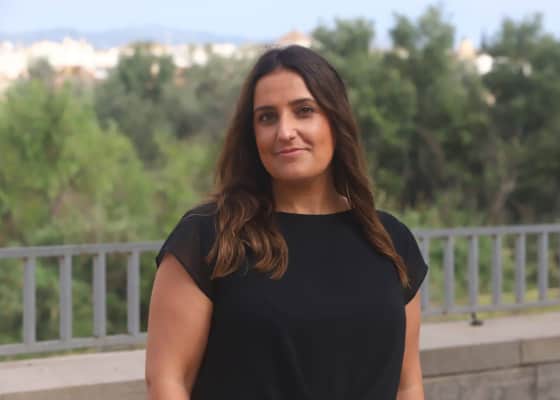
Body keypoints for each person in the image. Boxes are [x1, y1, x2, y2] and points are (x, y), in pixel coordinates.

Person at [145, 44, 428, 400]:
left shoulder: (390, 241)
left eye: (304, 111)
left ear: (335, 121)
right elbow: (167, 381)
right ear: (252, 135)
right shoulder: (208, 236)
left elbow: (407, 384)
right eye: (267, 117)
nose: (285, 131)